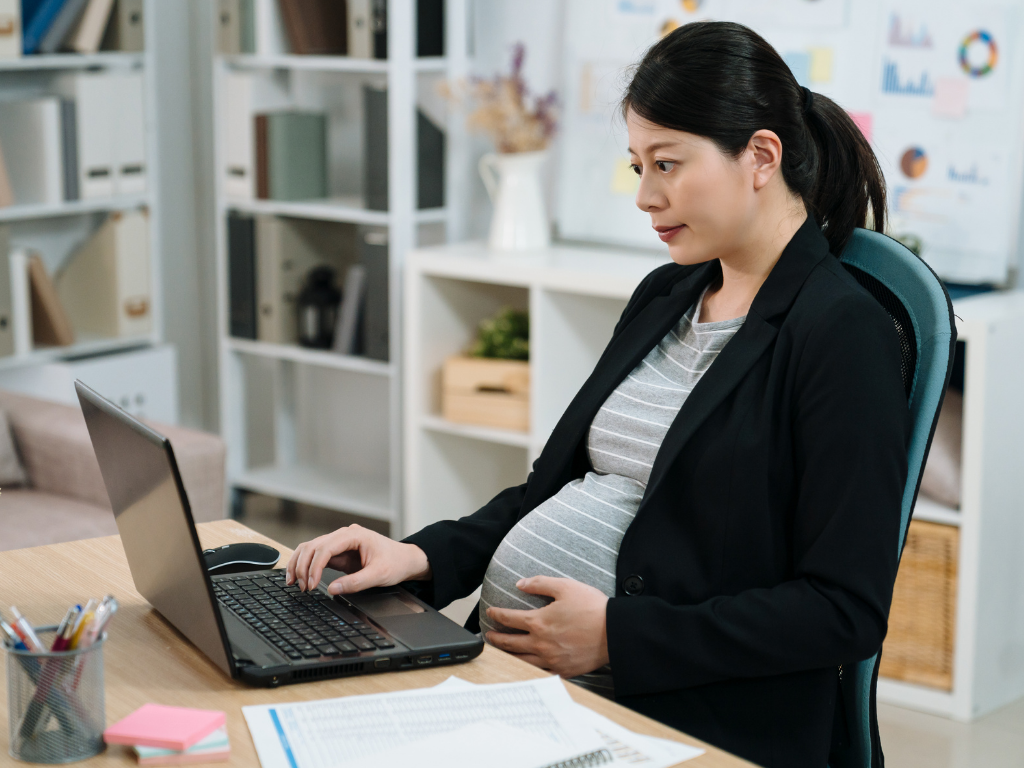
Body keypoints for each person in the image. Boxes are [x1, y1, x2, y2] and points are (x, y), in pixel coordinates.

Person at [286, 21, 909, 768]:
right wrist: (418, 557)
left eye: (667, 164)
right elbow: (548, 492)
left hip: (678, 718)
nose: (645, 196)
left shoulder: (841, 332)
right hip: (522, 687)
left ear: (761, 157)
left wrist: (619, 637)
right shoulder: (667, 295)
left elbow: (844, 610)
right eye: (638, 166)